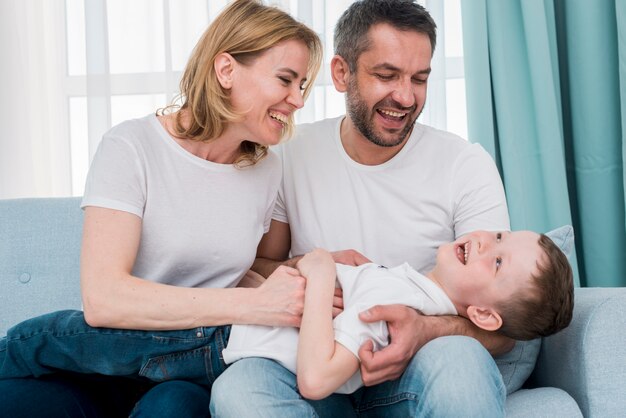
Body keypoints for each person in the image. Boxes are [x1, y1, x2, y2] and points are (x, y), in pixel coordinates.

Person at [0, 1, 321, 417]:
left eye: (303, 86)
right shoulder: (131, 146)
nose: (297, 100)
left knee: (170, 409)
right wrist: (248, 306)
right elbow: (104, 298)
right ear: (226, 70)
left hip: (186, 370)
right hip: (103, 361)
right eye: (286, 80)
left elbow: (258, 265)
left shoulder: (266, 168)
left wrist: (320, 266)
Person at [209, 1, 526, 417]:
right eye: (386, 75)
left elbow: (504, 324)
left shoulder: (464, 165)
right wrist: (313, 265)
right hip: (314, 369)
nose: (406, 97)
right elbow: (260, 267)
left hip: (415, 372)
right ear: (342, 73)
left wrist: (424, 330)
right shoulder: (290, 155)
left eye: (420, 78)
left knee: (461, 360)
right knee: (241, 388)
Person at [221, 229, 574, 400]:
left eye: (497, 262)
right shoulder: (403, 285)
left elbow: (317, 379)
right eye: (500, 236)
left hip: (217, 340)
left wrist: (321, 269)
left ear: (482, 314)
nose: (485, 243)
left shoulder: (395, 300)